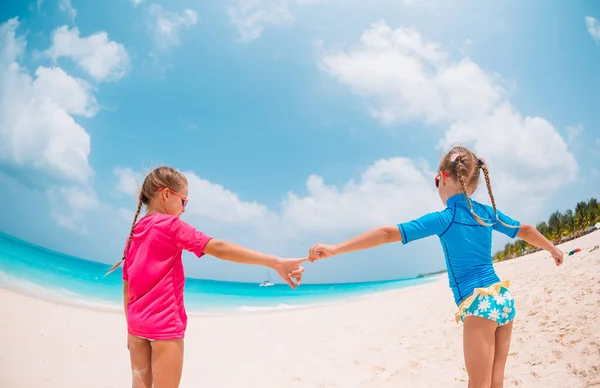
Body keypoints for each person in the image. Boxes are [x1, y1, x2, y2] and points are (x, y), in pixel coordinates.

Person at [307, 146, 564, 388]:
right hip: (503, 298)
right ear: (472, 187)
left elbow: (387, 233)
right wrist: (553, 248)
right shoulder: (487, 213)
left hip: (479, 303)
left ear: (443, 177)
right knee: (496, 382)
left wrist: (336, 248)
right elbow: (526, 230)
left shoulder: (446, 217)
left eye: (436, 183)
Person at [106, 166, 307, 388]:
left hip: (135, 325)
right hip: (164, 325)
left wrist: (130, 328)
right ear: (166, 195)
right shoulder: (171, 226)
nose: (184, 209)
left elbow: (127, 286)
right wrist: (274, 262)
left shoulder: (134, 232)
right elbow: (219, 248)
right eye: (184, 201)